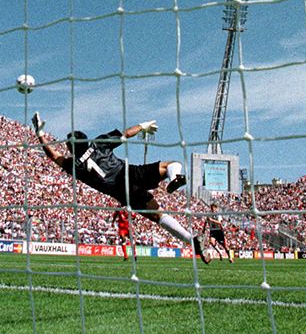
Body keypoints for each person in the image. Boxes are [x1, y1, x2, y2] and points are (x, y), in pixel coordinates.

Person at [32, 112, 209, 263]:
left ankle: (191, 241)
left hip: (122, 192)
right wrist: (142, 126)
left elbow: (53, 156)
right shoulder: (98, 143)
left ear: (71, 148)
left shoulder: (74, 165)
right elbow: (126, 134)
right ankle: (174, 177)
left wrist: (40, 134)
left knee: (159, 216)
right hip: (130, 173)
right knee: (171, 164)